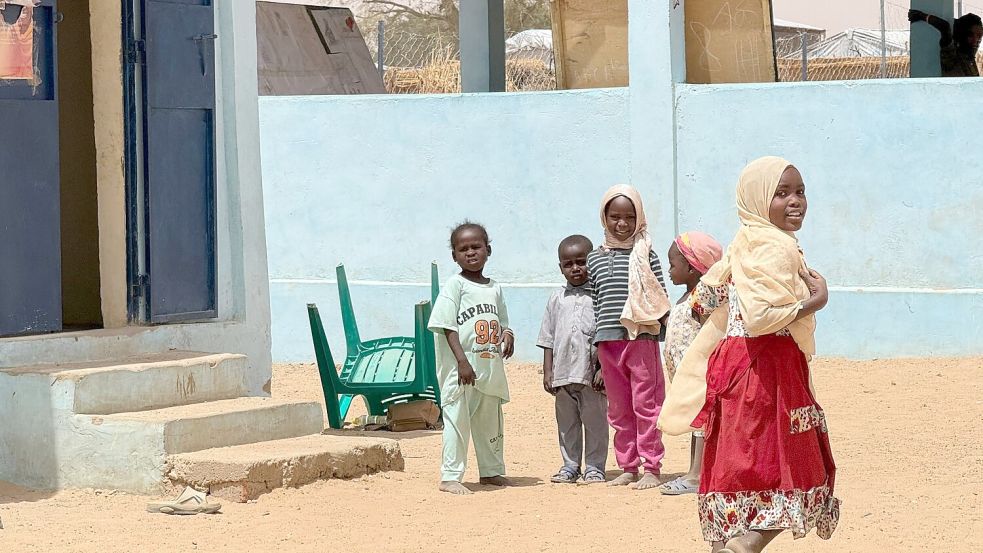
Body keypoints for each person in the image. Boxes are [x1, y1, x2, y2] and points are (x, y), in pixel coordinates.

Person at [659, 157, 840, 553]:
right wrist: (815, 301)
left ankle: (730, 544)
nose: (796, 202)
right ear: (758, 199)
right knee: (793, 464)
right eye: (782, 193)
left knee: (740, 463)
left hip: (733, 366)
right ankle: (749, 543)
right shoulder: (776, 247)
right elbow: (762, 318)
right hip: (768, 366)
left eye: (800, 191)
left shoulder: (743, 243)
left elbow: (702, 302)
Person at [587, 185, 672, 491]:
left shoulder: (646, 255)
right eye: (614, 217)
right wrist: (595, 350)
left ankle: (651, 466)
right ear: (604, 218)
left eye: (628, 216)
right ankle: (627, 466)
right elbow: (596, 303)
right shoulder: (594, 259)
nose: (621, 223)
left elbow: (660, 296)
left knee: (646, 405)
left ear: (639, 218)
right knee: (619, 408)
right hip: (608, 343)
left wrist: (670, 332)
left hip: (641, 340)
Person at [428, 221, 515, 495]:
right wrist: (462, 362)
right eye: (462, 249)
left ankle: (491, 471)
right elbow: (446, 325)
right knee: (457, 420)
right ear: (454, 256)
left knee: (490, 421)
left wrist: (508, 334)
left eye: (476, 247)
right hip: (463, 373)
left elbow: (502, 319)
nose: (470, 253)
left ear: (488, 250)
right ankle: (450, 476)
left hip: (488, 370)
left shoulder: (494, 288)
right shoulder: (455, 285)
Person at [537, 235, 609, 485]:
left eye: (582, 262)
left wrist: (604, 370)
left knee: (595, 423)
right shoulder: (557, 299)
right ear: (560, 267)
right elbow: (547, 338)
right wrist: (548, 372)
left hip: (591, 376)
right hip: (562, 374)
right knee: (567, 424)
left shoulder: (600, 297)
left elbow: (607, 336)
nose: (575, 268)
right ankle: (570, 465)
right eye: (569, 264)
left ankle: (595, 467)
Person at [658, 231, 723, 497]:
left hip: (699, 374)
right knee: (695, 423)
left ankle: (697, 476)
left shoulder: (701, 301)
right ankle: (696, 472)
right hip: (685, 376)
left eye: (673, 264)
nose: (670, 270)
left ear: (692, 267)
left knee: (700, 424)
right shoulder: (686, 298)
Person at [909, 9, 982, 77]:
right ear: (962, 34)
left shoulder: (969, 53)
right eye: (970, 35)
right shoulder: (951, 53)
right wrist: (921, 16)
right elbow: (945, 27)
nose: (975, 40)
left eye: (979, 36)